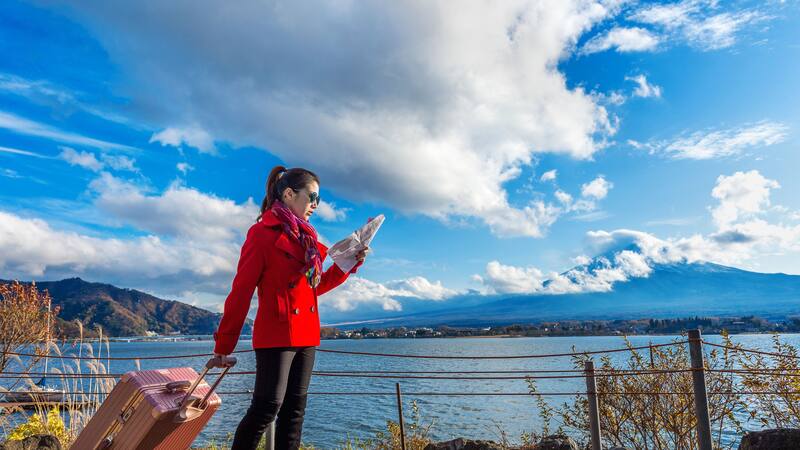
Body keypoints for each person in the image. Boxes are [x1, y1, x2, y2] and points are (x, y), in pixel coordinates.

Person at [213, 166, 368, 450]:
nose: (316, 206)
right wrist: (224, 343)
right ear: (288, 194)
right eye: (312, 197)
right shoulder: (261, 235)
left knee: (294, 415)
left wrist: (349, 263)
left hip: (307, 335)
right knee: (265, 410)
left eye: (319, 200)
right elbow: (241, 292)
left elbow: (313, 288)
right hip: (276, 335)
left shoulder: (308, 239)